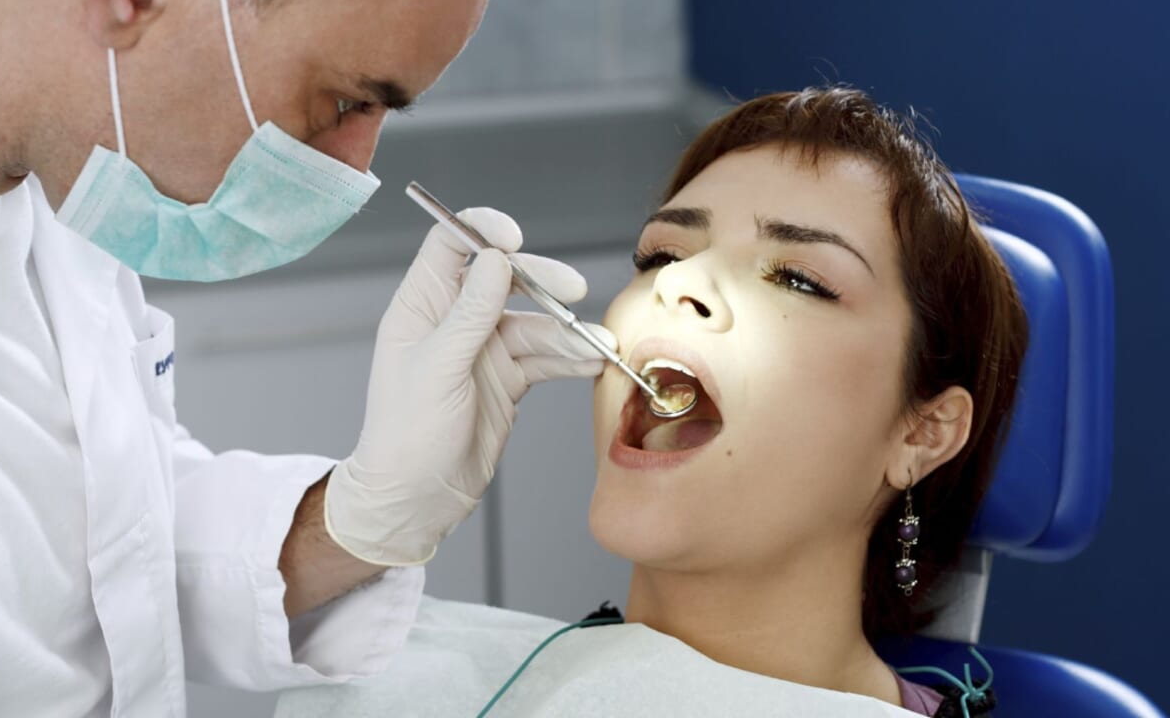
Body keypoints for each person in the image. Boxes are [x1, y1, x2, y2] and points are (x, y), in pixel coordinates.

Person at [0, 0, 613, 715]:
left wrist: (357, 519)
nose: (354, 169)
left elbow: (91, 544)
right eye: (347, 99)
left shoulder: (59, 183)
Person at [275, 87, 1028, 717]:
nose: (678, 284)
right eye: (662, 255)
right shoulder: (403, 678)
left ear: (924, 433)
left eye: (798, 278)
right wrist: (357, 522)